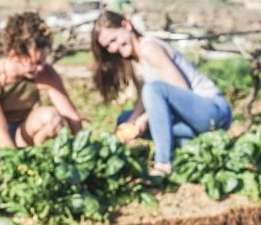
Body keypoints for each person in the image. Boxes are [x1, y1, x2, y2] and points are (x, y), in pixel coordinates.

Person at [91, 10, 232, 176]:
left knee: (153, 89)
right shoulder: (135, 61)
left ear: (126, 25)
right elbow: (144, 100)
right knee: (124, 118)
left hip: (212, 112)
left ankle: (163, 163)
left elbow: (180, 89)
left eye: (114, 40)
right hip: (191, 121)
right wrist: (132, 122)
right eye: (108, 46)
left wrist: (145, 119)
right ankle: (190, 146)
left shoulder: (149, 48)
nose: (113, 48)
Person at [0, 12, 83, 157]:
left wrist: (82, 150)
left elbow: (71, 116)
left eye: (43, 61)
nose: (40, 67)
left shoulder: (45, 73)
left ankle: (39, 160)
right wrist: (13, 161)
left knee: (52, 117)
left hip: (22, 133)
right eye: (35, 62)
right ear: (14, 54)